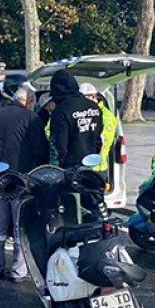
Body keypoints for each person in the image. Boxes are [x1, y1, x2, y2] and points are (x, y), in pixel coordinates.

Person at [0, 87, 48, 281]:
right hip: (22, 181)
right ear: (29, 102)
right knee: (20, 227)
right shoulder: (31, 118)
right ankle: (18, 270)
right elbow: (41, 151)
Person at [48, 70, 104, 219]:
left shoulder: (61, 111)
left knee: (70, 209)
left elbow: (59, 145)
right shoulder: (94, 107)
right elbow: (98, 138)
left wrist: (56, 168)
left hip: (70, 168)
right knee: (91, 204)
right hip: (90, 165)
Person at [79, 83, 117, 177]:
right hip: (81, 166)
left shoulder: (106, 116)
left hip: (96, 168)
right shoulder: (80, 112)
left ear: (94, 96)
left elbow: (104, 142)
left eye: (85, 98)